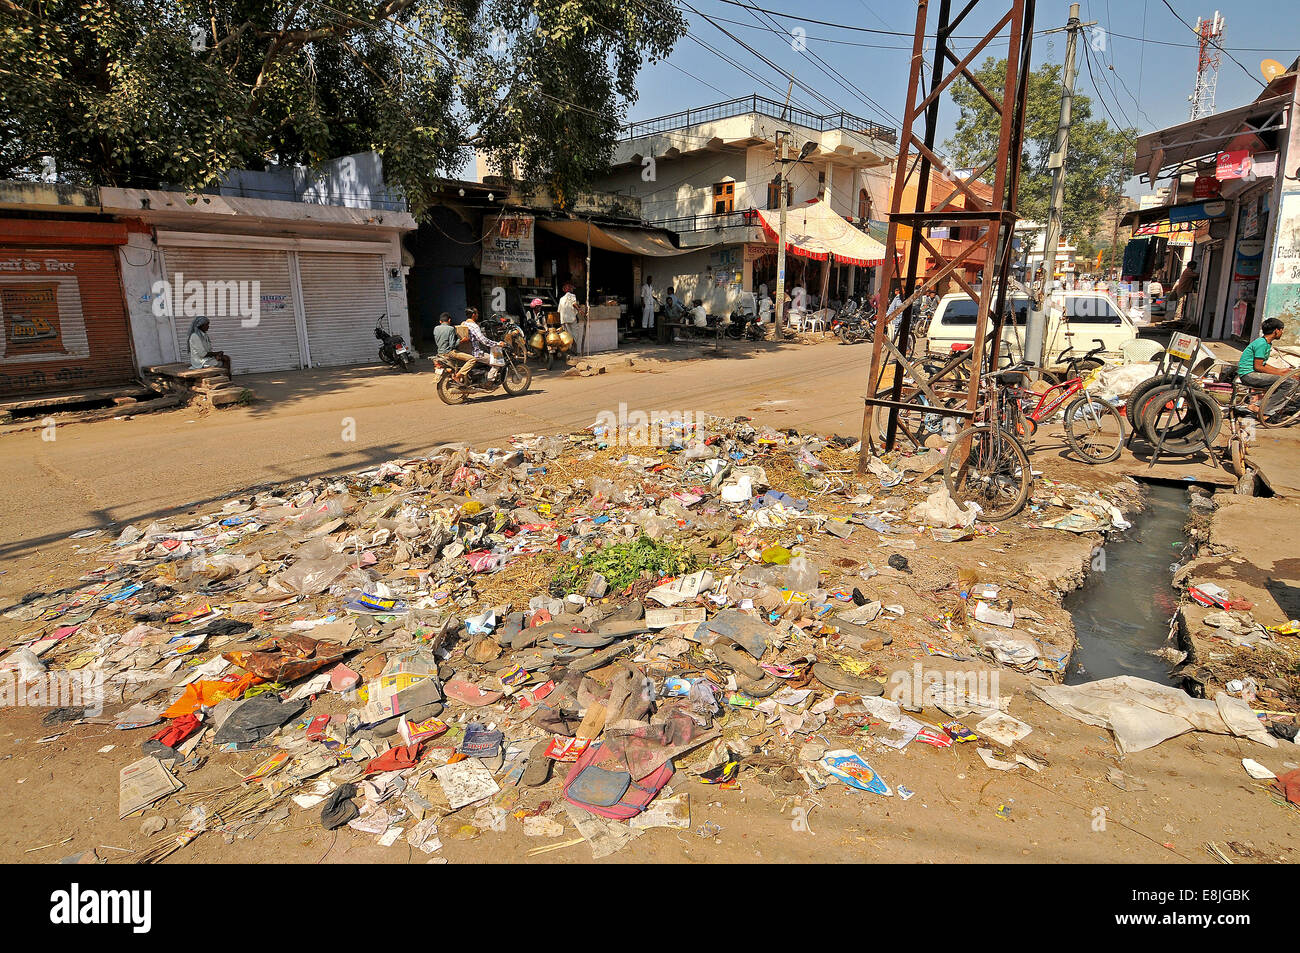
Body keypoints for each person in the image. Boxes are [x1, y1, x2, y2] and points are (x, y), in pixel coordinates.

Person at [1238, 318, 1294, 410]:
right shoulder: (1262, 344)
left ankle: (1263, 406)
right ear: (1276, 330)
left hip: (1251, 373)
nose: (1282, 332)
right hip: (1248, 375)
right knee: (1290, 383)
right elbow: (1258, 367)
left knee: (1285, 380)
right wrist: (1280, 374)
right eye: (1281, 329)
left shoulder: (1266, 343)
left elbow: (1262, 364)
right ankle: (1262, 409)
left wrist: (1280, 370)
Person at [453, 307, 494, 381]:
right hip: (475, 353)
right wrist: (497, 344)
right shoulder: (474, 326)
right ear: (473, 315)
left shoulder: (463, 323)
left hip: (465, 351)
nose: (478, 315)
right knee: (496, 361)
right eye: (477, 313)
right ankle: (489, 380)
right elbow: (483, 340)